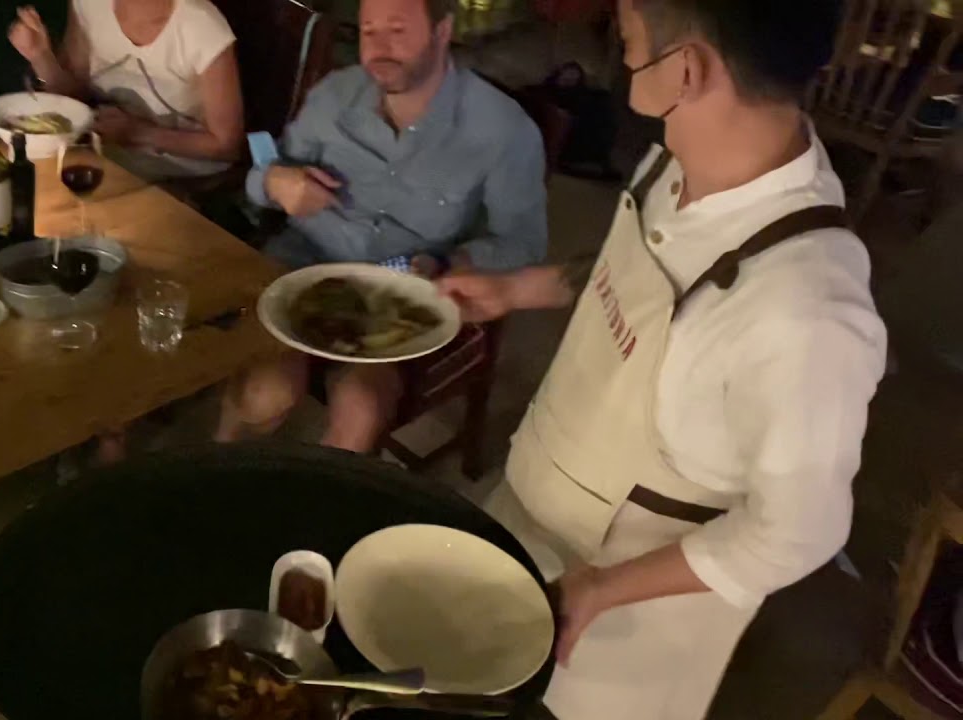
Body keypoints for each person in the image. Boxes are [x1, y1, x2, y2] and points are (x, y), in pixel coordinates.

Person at [437, 1, 887, 718]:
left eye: (627, 40)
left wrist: (601, 589)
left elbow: (800, 532)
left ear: (686, 70)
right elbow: (634, 265)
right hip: (529, 508)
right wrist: (515, 290)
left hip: (617, 628)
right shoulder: (686, 157)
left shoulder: (806, 312)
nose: (620, 58)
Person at [214, 0, 548, 454]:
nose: (378, 49)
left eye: (398, 30)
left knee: (363, 408)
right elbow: (266, 165)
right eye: (369, 31)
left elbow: (523, 241)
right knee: (265, 392)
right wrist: (275, 179)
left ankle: (319, 494)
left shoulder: (503, 128)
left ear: (442, 31)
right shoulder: (334, 93)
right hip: (304, 261)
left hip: (399, 291)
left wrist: (453, 261)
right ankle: (217, 458)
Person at [7, 0, 243, 180]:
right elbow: (74, 97)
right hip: (109, 158)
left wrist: (137, 133)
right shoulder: (88, 4)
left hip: (185, 173)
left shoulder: (201, 25)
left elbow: (227, 146)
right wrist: (40, 56)